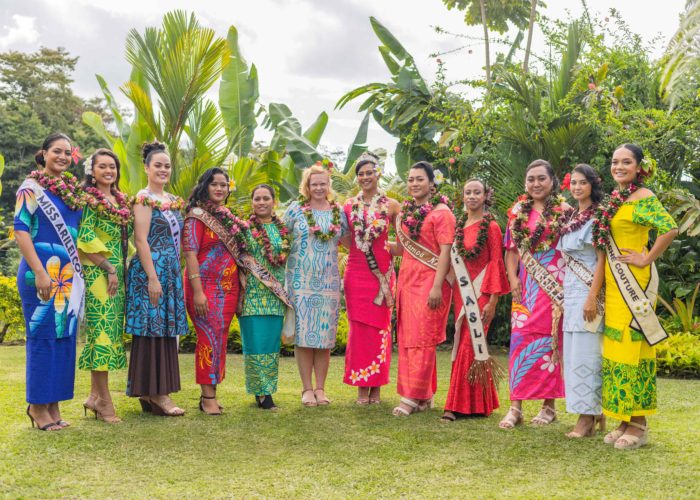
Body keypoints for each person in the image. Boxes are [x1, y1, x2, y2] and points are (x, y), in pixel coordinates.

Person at [592, 144, 677, 450]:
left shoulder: (644, 197)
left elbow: (669, 228)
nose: (619, 166)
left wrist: (647, 257)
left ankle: (639, 424)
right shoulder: (617, 199)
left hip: (635, 285)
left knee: (635, 350)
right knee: (616, 349)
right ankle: (624, 419)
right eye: (615, 161)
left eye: (626, 162)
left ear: (638, 166)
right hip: (615, 286)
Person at [15, 133, 84, 431]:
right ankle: (37, 406)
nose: (63, 157)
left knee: (64, 338)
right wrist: (40, 272)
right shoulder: (30, 189)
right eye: (57, 151)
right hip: (40, 274)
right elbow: (21, 231)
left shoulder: (70, 192)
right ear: (43, 153)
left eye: (67, 153)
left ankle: (54, 403)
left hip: (68, 277)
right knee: (43, 338)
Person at [500, 159, 570, 429]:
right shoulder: (517, 212)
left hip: (555, 287)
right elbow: (510, 250)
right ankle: (515, 406)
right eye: (531, 179)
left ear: (552, 181)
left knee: (551, 342)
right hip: (525, 288)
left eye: (541, 178)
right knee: (519, 342)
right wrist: (513, 278)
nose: (536, 184)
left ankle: (548, 406)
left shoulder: (564, 211)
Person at [125, 141, 188, 416]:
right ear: (146, 167)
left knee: (164, 330)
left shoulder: (172, 200)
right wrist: (152, 277)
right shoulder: (143, 198)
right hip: (150, 272)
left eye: (167, 166)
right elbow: (140, 239)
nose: (163, 170)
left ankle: (153, 393)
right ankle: (158, 394)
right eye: (158, 165)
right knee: (151, 329)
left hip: (170, 272)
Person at [391, 161, 455, 417]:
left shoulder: (442, 213)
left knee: (423, 339)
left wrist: (437, 286)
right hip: (407, 281)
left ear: (431, 182)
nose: (414, 184)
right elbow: (402, 249)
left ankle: (410, 397)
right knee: (408, 340)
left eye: (420, 179)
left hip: (431, 283)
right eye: (411, 179)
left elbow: (446, 251)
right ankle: (423, 395)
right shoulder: (407, 213)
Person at [442, 179, 509, 422]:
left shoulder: (491, 227)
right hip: (463, 292)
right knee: (464, 343)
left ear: (485, 196)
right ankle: (481, 404)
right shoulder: (459, 227)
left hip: (482, 294)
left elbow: (496, 263)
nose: (472, 196)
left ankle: (454, 406)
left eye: (476, 192)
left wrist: (493, 302)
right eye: (468, 192)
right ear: (463, 196)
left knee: (470, 343)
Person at [284, 161, 348, 407]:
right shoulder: (295, 210)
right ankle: (306, 389)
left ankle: (321, 388)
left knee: (324, 337)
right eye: (314, 184)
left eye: (323, 183)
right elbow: (279, 234)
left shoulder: (338, 212)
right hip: (300, 281)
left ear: (328, 185)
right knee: (303, 336)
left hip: (329, 281)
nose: (319, 188)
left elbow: (349, 242)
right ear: (307, 186)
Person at [183, 168, 246, 415]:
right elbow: (190, 254)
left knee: (219, 339)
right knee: (207, 339)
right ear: (204, 187)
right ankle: (207, 395)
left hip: (228, 289)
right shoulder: (195, 217)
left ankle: (212, 392)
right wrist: (198, 292)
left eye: (224, 184)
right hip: (204, 288)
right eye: (214, 184)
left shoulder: (227, 217)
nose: (220, 189)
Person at [341, 153, 400, 405]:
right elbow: (344, 239)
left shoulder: (393, 205)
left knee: (380, 330)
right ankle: (361, 388)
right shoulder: (348, 205)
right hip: (356, 272)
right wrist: (358, 248)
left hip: (381, 274)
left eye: (369, 172)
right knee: (358, 331)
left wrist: (387, 247)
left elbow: (404, 241)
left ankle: (376, 388)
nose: (365, 177)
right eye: (361, 173)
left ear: (379, 173)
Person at [78, 149, 132, 423]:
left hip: (116, 272)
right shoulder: (89, 200)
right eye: (102, 166)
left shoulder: (120, 200)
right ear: (92, 171)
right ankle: (105, 402)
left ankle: (93, 396)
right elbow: (84, 237)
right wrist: (109, 268)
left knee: (109, 334)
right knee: (101, 333)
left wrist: (121, 269)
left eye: (112, 166)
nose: (108, 171)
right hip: (98, 271)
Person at [557, 164, 605, 437]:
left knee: (588, 355)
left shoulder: (598, 216)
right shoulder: (571, 216)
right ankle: (590, 413)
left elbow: (601, 260)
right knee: (573, 356)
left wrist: (592, 297)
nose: (576, 187)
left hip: (589, 295)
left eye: (582, 183)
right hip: (571, 293)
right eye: (573, 182)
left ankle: (586, 418)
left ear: (592, 185)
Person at [239, 184, 292, 410]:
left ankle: (267, 389)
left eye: (266, 198)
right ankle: (261, 394)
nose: (261, 202)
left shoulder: (283, 230)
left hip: (275, 295)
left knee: (270, 346)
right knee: (254, 345)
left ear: (274, 201)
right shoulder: (243, 229)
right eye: (257, 199)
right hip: (252, 294)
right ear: (252, 203)